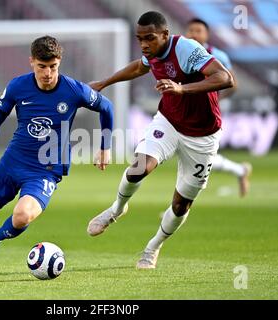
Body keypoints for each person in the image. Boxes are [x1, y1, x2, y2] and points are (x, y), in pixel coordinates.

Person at [0, 35, 113, 280]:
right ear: (31, 62)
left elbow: (107, 107)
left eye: (53, 67)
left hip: (47, 169)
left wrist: (105, 147)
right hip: (13, 162)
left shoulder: (73, 89)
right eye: (42, 67)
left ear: (59, 63)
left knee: (23, 215)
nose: (48, 73)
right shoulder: (17, 87)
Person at [87, 11, 234, 269]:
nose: (144, 44)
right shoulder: (152, 51)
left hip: (203, 135)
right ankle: (117, 209)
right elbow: (139, 66)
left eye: (150, 38)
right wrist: (104, 82)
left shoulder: (186, 49)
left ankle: (153, 247)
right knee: (139, 167)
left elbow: (225, 78)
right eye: (139, 39)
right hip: (169, 122)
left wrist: (181, 88)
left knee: (181, 204)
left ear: (165, 35)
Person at [186, 18, 252, 197]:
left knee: (199, 156)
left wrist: (216, 100)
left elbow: (233, 84)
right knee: (195, 156)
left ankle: (181, 204)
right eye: (190, 30)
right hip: (187, 112)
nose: (193, 34)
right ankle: (240, 171)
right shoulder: (182, 52)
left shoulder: (218, 56)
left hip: (206, 114)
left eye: (198, 30)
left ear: (206, 34)